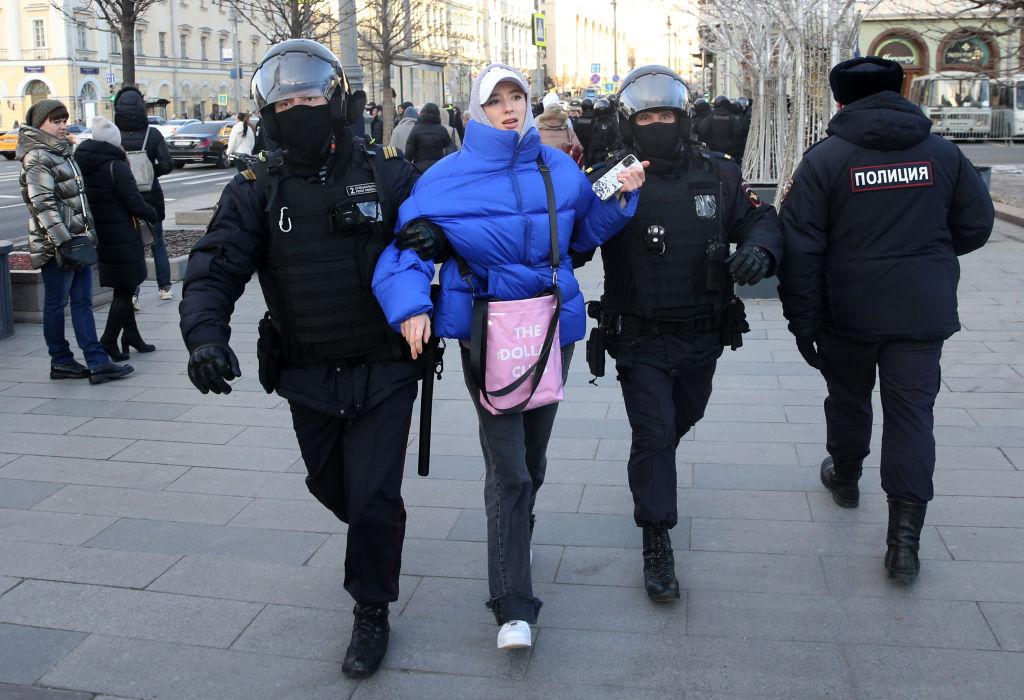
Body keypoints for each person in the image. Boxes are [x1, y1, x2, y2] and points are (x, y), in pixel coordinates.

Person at [372, 63, 645, 651]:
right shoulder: (445, 177)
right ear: (477, 110)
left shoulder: (557, 167)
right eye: (495, 100)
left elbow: (580, 235)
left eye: (516, 96)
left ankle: (516, 534)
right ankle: (513, 603)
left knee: (533, 461)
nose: (508, 108)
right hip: (488, 330)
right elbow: (405, 251)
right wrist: (411, 307)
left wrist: (622, 196)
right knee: (510, 469)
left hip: (550, 329)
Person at [178, 39, 421, 678]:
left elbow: (443, 226)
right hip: (308, 369)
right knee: (334, 486)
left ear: (335, 101)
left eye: (310, 98)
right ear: (268, 113)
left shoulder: (387, 172)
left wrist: (437, 241)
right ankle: (377, 526)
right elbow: (215, 265)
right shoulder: (256, 187)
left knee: (372, 494)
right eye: (285, 104)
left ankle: (371, 607)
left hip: (386, 364)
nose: (299, 111)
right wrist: (205, 335)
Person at [777, 56, 994, 583]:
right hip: (920, 311)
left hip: (848, 311)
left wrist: (803, 322)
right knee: (912, 417)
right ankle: (904, 543)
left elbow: (800, 250)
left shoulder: (826, 159)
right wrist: (928, 256)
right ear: (901, 93)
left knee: (848, 398)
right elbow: (976, 224)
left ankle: (846, 477)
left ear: (840, 102)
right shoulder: (942, 153)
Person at [586, 65, 782, 602]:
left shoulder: (718, 173)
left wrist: (760, 251)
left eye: (666, 116)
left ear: (684, 118)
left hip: (702, 332)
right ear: (629, 124)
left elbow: (760, 219)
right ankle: (656, 537)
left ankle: (653, 474)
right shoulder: (610, 177)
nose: (658, 125)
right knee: (654, 434)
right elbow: (575, 238)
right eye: (646, 118)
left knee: (681, 418)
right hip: (639, 335)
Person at [17, 99, 133, 384]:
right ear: (39, 124)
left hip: (76, 241)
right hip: (57, 245)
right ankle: (61, 360)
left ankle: (96, 361)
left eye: (63, 120)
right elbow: (43, 204)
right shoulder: (37, 156)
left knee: (82, 301)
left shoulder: (61, 151)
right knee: (56, 303)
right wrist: (64, 242)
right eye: (55, 121)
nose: (62, 126)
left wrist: (83, 237)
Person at [75, 117, 159, 360]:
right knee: (126, 288)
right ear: (114, 141)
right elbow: (133, 201)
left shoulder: (85, 163)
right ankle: (109, 341)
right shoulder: (116, 165)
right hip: (122, 233)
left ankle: (131, 335)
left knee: (123, 286)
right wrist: (152, 213)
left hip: (103, 233)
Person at [113, 86, 175, 306]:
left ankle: (134, 293)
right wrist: (150, 172)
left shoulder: (115, 136)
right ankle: (165, 287)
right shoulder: (153, 134)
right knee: (157, 244)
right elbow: (167, 165)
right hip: (151, 199)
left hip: (125, 199)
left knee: (133, 247)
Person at [403, 102, 453, 173]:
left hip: (419, 168)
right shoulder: (442, 130)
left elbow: (409, 153)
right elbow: (450, 148)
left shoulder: (416, 129)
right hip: (438, 167)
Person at [696, 95, 744, 165]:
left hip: (713, 153)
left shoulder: (710, 118)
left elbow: (702, 129)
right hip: (728, 154)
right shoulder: (732, 118)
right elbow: (738, 132)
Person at [535, 102, 584, 168]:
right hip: (565, 166)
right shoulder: (568, 131)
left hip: (544, 168)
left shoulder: (538, 132)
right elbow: (579, 148)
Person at [584, 97, 622, 166]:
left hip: (607, 153)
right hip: (594, 152)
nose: (601, 114)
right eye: (599, 111)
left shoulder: (612, 121)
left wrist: (612, 151)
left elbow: (618, 138)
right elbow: (591, 138)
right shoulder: (595, 121)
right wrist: (590, 152)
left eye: (602, 111)